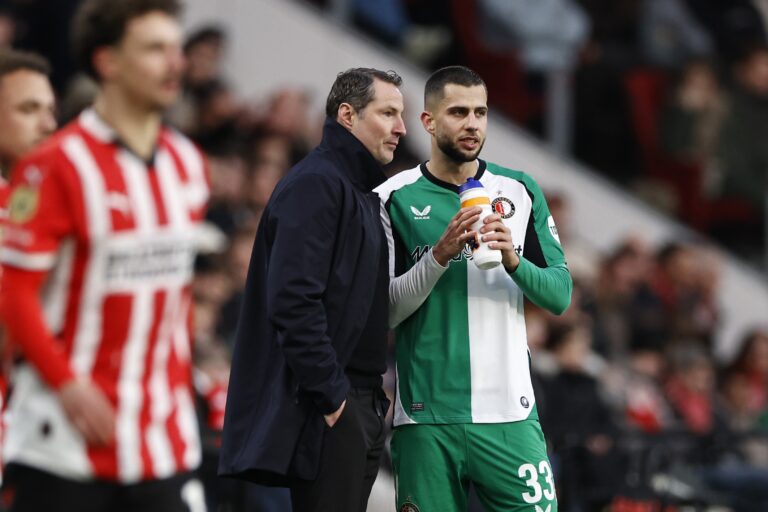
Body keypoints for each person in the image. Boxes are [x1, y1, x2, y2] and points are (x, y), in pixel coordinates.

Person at [0, 0, 209, 510]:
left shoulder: (187, 164)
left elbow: (175, 297)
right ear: (108, 61)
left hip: (160, 439)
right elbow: (15, 293)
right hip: (62, 438)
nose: (175, 62)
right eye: (154, 49)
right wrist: (67, 382)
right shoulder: (57, 164)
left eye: (176, 48)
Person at [374, 65, 571, 512]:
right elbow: (384, 312)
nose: (472, 124)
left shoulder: (519, 191)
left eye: (480, 113)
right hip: (426, 419)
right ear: (428, 122)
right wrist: (438, 256)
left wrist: (514, 260)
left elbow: (560, 296)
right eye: (458, 112)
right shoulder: (392, 197)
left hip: (509, 415)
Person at [219, 68, 406, 512]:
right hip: (332, 404)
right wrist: (333, 396)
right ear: (348, 115)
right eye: (388, 113)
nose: (401, 128)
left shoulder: (361, 192)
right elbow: (293, 301)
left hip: (359, 401)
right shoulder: (317, 183)